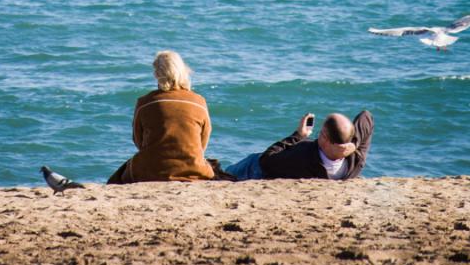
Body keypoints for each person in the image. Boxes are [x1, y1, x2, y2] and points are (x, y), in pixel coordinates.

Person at [107, 50, 215, 183]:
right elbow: (203, 141)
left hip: (151, 170)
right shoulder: (199, 102)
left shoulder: (145, 103)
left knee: (117, 178)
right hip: (194, 169)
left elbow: (137, 140)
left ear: (157, 74)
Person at [226, 110, 374, 181]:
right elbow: (366, 116)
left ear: (326, 140)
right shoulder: (356, 161)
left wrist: (298, 135)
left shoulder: (304, 155)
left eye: (321, 133)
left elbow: (266, 159)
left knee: (226, 174)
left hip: (256, 169)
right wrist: (353, 145)